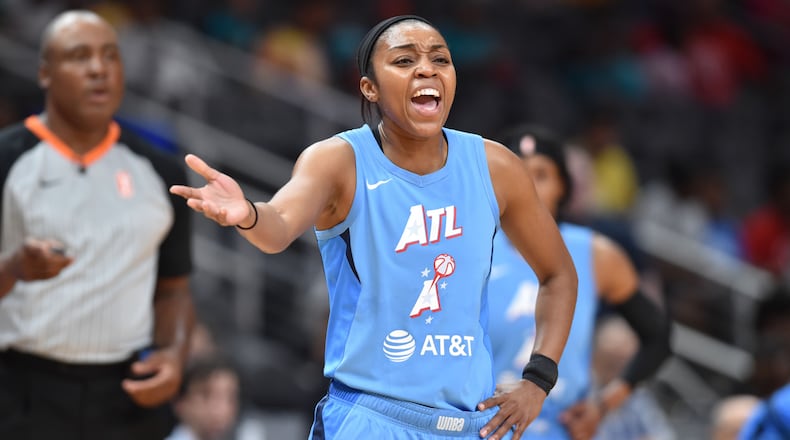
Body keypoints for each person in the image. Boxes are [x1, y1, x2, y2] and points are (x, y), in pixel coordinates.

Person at [170, 15, 578, 440]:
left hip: (471, 425)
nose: (426, 69)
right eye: (404, 60)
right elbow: (279, 225)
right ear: (370, 87)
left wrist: (538, 381)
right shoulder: (338, 160)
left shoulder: (495, 167)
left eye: (440, 59)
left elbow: (559, 274)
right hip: (371, 419)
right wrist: (249, 214)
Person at [0, 10, 194, 440]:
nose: (98, 68)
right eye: (79, 55)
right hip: (20, 388)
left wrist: (175, 353)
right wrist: (14, 268)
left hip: (125, 392)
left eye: (111, 56)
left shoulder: (160, 169)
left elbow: (174, 288)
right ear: (45, 73)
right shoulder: (8, 159)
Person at [487, 124, 672, 440]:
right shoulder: (470, 244)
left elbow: (657, 335)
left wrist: (604, 404)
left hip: (559, 428)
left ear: (564, 187)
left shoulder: (597, 254)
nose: (528, 183)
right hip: (478, 424)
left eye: (542, 174)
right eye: (517, 172)